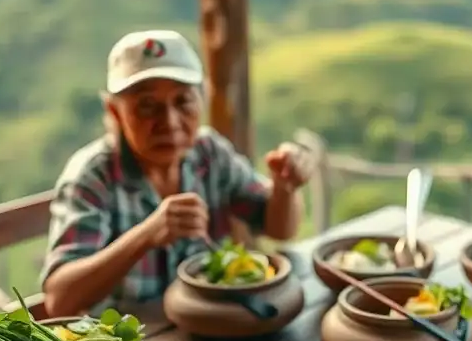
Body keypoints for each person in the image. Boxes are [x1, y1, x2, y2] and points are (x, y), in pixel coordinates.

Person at [40, 30, 308, 317]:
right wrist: (146, 235)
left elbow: (279, 229)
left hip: (210, 321)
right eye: (146, 106)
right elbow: (59, 299)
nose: (169, 122)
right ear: (114, 112)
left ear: (202, 99)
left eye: (182, 101)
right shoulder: (93, 178)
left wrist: (284, 188)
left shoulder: (209, 152)